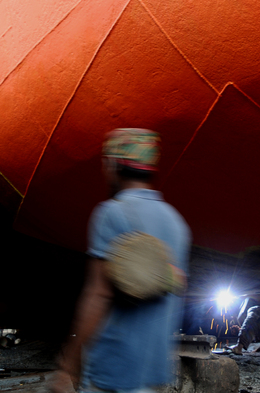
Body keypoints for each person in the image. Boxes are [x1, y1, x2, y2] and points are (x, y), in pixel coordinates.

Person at [51, 128, 191, 393]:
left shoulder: (112, 214)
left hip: (112, 372)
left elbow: (98, 295)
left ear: (113, 165)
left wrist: (69, 366)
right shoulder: (177, 224)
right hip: (155, 374)